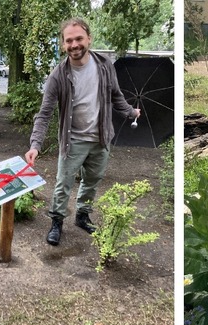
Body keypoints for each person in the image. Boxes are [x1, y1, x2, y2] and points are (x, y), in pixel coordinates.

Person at [25, 18, 141, 246]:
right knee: (63, 183)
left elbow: (116, 95)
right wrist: (35, 145)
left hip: (100, 138)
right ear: (63, 44)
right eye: (69, 40)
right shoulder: (58, 75)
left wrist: (130, 112)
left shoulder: (105, 65)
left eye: (79, 38)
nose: (74, 44)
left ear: (89, 38)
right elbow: (44, 113)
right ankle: (57, 221)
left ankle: (82, 215)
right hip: (73, 141)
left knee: (92, 180)